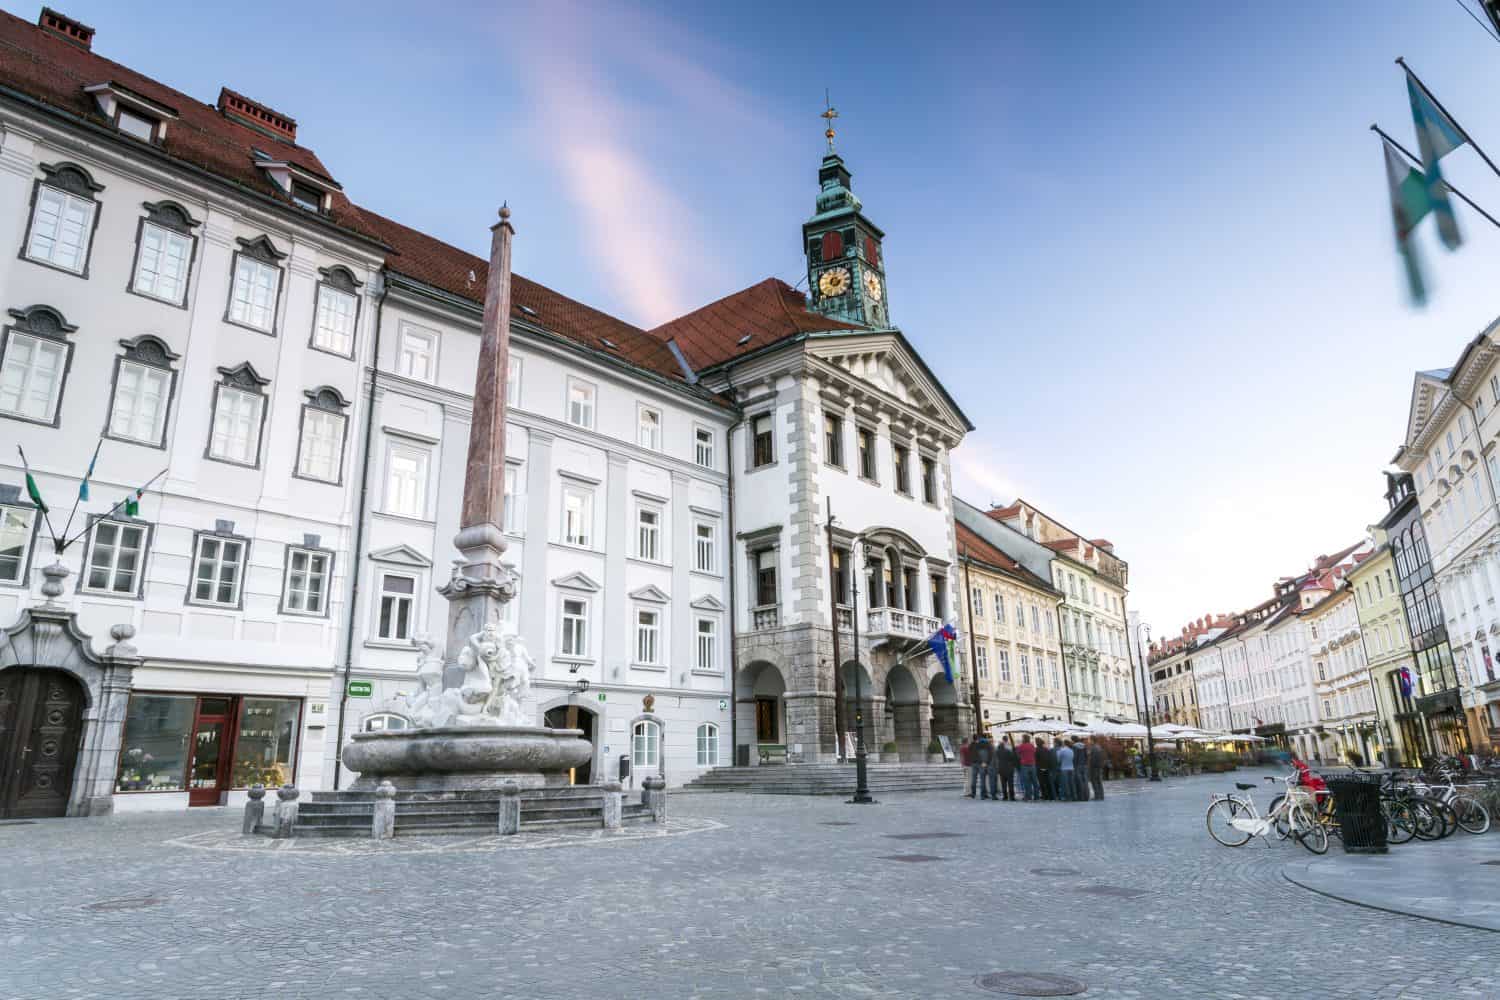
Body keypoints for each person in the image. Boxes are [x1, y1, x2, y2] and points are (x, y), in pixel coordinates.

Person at [994, 737, 1017, 801]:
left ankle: (1005, 796)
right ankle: (1012, 797)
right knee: (1010, 783)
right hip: (1009, 769)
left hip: (1001, 769)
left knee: (1003, 784)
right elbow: (1012, 758)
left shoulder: (997, 752)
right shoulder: (1008, 751)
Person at [1016, 736, 1039, 801]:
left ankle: (1028, 796)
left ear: (1023, 739)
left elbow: (1018, 755)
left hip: (1024, 765)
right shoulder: (1032, 746)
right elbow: (1034, 753)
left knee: (1026, 782)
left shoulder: (1021, 746)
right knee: (1034, 781)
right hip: (1032, 765)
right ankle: (1036, 796)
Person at [973, 733, 993, 800]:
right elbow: (991, 754)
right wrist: (987, 762)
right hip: (987, 763)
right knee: (990, 779)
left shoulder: (977, 744)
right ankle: (991, 794)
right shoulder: (988, 744)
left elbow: (976, 755)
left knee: (982, 780)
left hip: (980, 764)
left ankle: (982, 795)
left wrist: (981, 762)